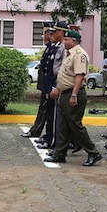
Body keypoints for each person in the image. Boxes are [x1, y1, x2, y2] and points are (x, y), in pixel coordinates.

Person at [44, 30, 101, 166]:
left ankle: (93, 152)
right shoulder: (69, 54)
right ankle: (60, 154)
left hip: (74, 93)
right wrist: (59, 90)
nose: (64, 42)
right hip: (65, 93)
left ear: (74, 41)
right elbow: (65, 76)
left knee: (75, 125)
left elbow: (79, 76)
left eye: (66, 39)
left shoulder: (79, 54)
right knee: (63, 125)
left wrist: (74, 95)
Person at [37, 21, 68, 150]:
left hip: (57, 82)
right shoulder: (55, 46)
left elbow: (62, 69)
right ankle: (49, 137)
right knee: (50, 112)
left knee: (55, 115)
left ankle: (53, 140)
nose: (52, 34)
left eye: (54, 32)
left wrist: (56, 86)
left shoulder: (64, 48)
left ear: (61, 32)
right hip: (50, 82)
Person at [22, 23, 54, 138]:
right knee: (43, 108)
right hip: (45, 83)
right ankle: (36, 131)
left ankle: (37, 131)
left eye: (46, 34)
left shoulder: (53, 48)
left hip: (49, 84)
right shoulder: (49, 48)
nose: (44, 37)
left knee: (45, 109)